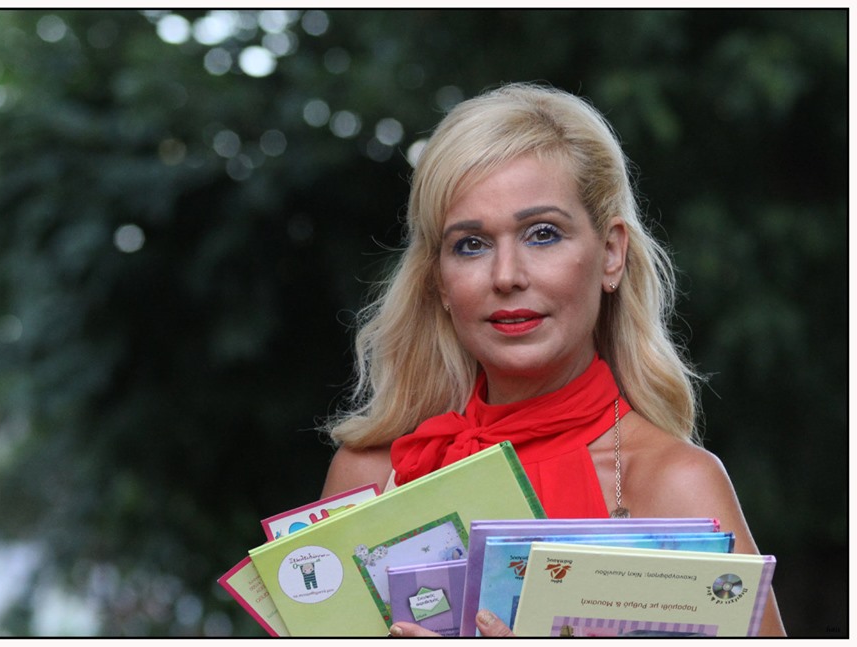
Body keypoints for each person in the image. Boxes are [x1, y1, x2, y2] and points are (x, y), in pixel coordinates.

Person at [319, 82, 785, 637]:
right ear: (440, 282)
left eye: (542, 234)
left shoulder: (676, 485)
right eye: (471, 244)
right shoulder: (372, 476)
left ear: (610, 253)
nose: (506, 276)